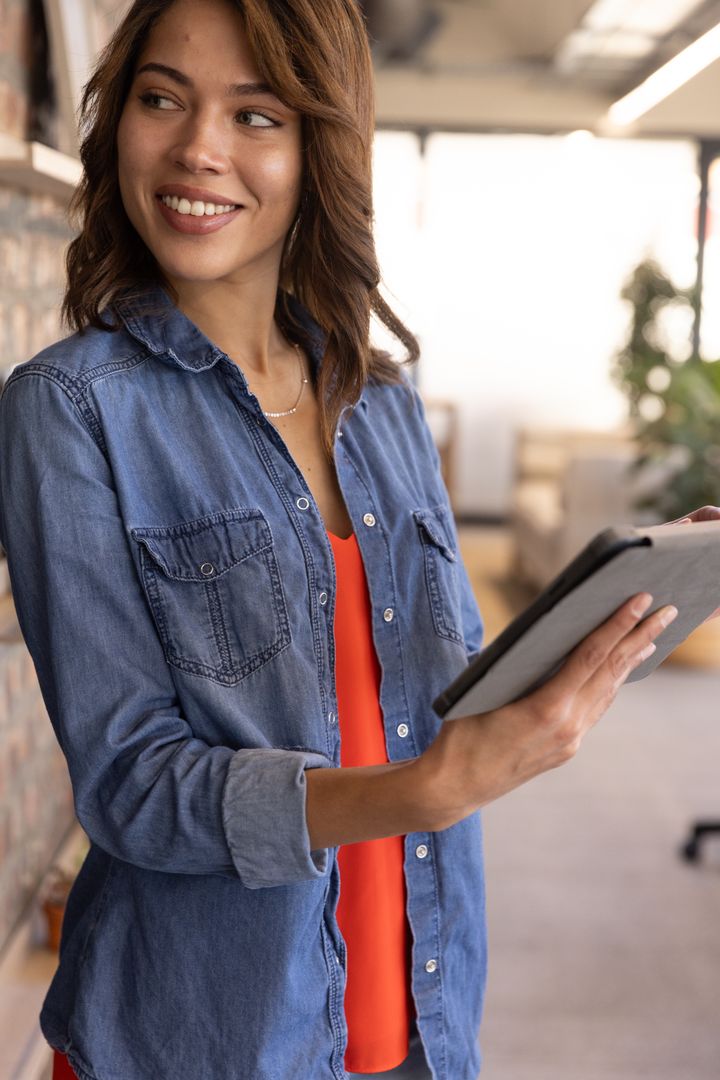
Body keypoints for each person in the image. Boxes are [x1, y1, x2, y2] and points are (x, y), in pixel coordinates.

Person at [0, 1, 697, 1077]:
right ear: (117, 124)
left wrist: (603, 628)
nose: (199, 150)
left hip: (417, 1018)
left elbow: (434, 694)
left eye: (257, 115)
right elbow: (135, 786)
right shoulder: (71, 410)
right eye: (161, 100)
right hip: (207, 1040)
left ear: (319, 146)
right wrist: (428, 790)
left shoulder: (380, 399)